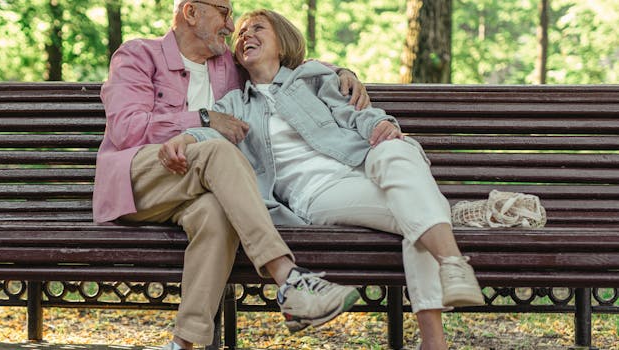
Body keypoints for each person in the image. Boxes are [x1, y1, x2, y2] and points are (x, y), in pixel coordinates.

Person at [160, 9, 486, 350]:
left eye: (258, 28)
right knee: (420, 209)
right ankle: (439, 328)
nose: (245, 36)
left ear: (282, 42)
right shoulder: (236, 103)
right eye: (241, 33)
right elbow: (209, 133)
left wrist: (380, 124)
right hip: (318, 194)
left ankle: (450, 267)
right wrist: (185, 140)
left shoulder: (314, 79)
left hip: (363, 163)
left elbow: (356, 114)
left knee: (399, 150)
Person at [93, 1, 371, 349]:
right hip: (140, 181)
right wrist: (205, 119)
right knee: (217, 149)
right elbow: (126, 129)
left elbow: (282, 62)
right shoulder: (138, 55)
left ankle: (184, 344)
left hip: (194, 187)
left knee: (217, 213)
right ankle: (288, 278)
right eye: (224, 12)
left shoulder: (227, 63)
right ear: (192, 13)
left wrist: (344, 71)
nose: (231, 24)